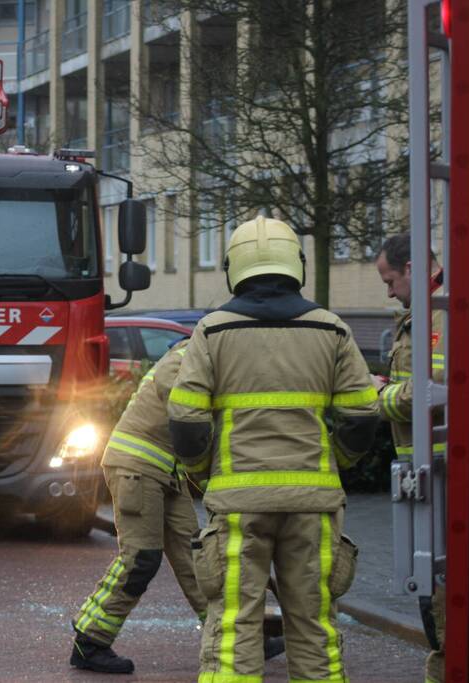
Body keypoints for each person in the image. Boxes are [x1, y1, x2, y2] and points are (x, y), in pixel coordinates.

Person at [168, 216, 379, 682]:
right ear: (296, 265)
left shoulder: (213, 332)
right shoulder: (333, 331)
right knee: (314, 624)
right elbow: (363, 416)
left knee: (235, 625)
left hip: (238, 505)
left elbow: (185, 420)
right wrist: (336, 464)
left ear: (232, 268)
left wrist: (206, 471)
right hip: (314, 506)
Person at [70, 339, 284, 675]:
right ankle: (90, 639)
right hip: (136, 469)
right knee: (141, 558)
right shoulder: (187, 358)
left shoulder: (213, 360)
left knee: (198, 559)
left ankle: (234, 638)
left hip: (168, 473)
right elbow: (189, 416)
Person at [374, 232, 445, 683]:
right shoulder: (421, 315)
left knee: (436, 591)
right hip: (425, 473)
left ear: (414, 270)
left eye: (391, 279)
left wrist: (381, 394)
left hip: (442, 475)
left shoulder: (438, 316)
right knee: (428, 586)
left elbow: (433, 390)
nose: (388, 290)